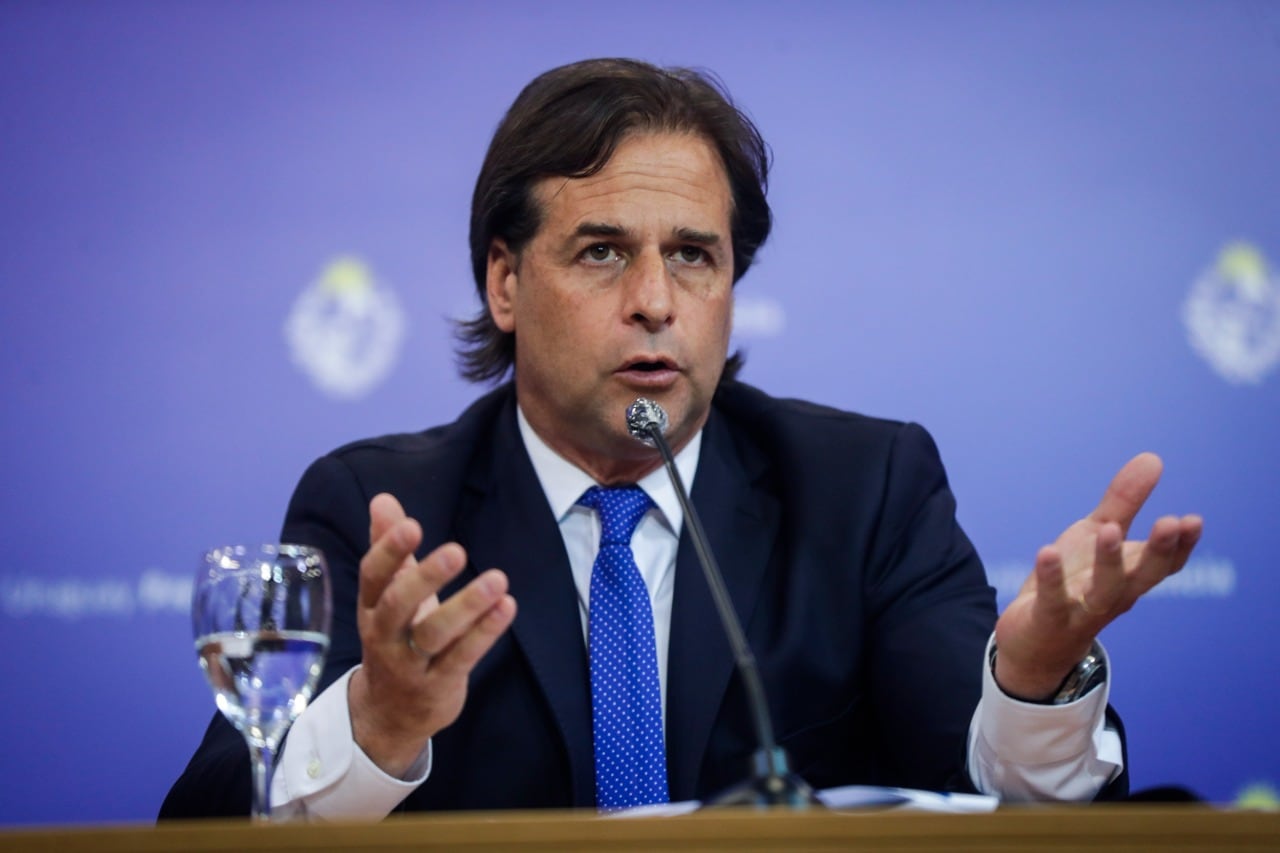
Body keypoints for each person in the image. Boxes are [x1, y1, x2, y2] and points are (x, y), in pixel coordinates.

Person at [160, 58, 1202, 819]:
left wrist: (1030, 688)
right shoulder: (382, 513)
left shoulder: (864, 487)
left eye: (694, 256)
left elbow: (996, 798)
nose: (655, 301)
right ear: (505, 282)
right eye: (602, 251)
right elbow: (209, 823)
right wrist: (377, 723)